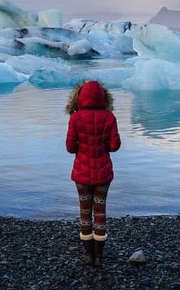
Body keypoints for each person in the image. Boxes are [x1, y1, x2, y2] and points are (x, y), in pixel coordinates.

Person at [65, 80, 121, 267]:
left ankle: (88, 254)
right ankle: (99, 256)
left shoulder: (75, 118)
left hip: (81, 174)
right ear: (104, 97)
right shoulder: (109, 117)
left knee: (85, 211)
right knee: (100, 211)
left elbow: (70, 148)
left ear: (79, 97)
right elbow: (115, 147)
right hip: (103, 173)